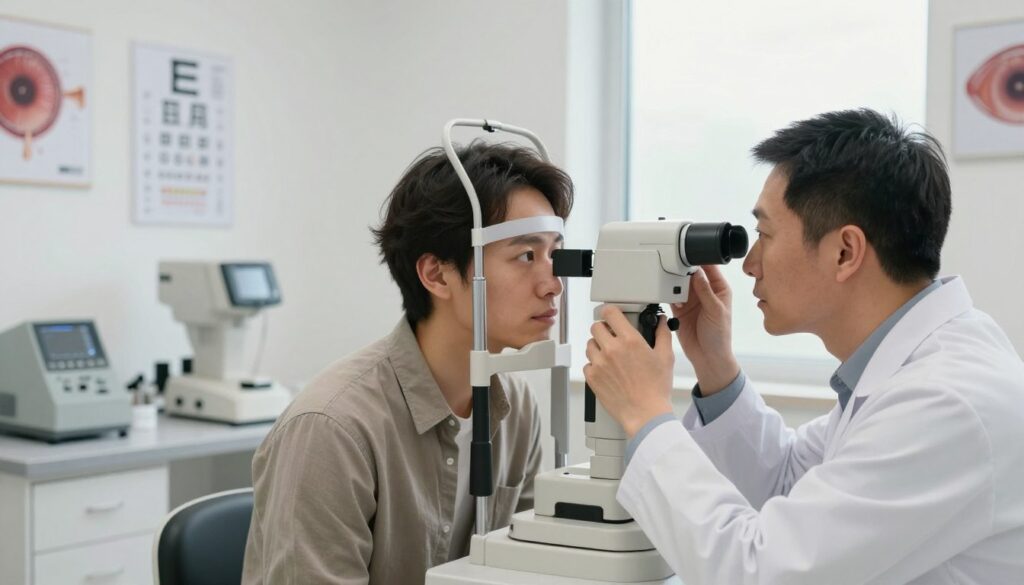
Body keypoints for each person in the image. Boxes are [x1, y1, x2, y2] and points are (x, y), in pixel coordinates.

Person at [583, 109, 1024, 584]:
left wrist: (646, 414)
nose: (750, 265)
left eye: (765, 235)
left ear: (844, 252)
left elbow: (760, 572)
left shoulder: (945, 402)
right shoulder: (906, 369)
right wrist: (715, 367)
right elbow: (784, 483)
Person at [242, 141, 573, 584]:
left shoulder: (515, 408)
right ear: (437, 274)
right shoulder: (333, 429)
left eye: (554, 254)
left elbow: (522, 569)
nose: (553, 284)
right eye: (526, 256)